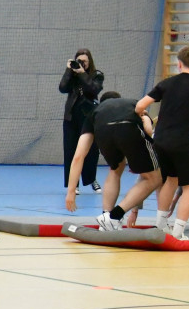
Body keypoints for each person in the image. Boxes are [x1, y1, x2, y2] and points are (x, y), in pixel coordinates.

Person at [135, 45, 189, 240]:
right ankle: (179, 231)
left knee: (170, 180)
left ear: (178, 63)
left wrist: (144, 116)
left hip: (160, 141)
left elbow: (140, 105)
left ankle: (161, 225)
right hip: (182, 143)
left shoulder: (166, 84)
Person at [65, 92, 160, 230]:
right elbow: (148, 130)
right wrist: (146, 121)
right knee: (154, 178)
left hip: (103, 130)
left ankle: (106, 217)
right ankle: (114, 216)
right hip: (128, 126)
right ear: (119, 100)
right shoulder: (132, 102)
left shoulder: (94, 113)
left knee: (115, 168)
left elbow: (78, 156)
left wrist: (71, 191)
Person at [59, 49, 104, 193]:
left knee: (91, 151)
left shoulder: (97, 75)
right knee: (70, 150)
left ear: (89, 62)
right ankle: (73, 183)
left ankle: (91, 179)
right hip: (71, 117)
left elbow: (93, 90)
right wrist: (68, 70)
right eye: (79, 61)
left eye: (84, 61)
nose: (81, 64)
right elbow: (62, 88)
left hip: (89, 117)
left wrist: (82, 73)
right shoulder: (71, 76)